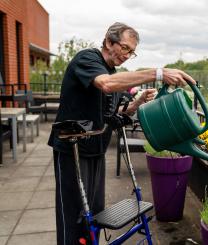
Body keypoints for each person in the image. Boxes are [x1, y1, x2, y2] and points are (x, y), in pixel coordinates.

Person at [48, 22, 196, 244]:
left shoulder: (112, 71)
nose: (127, 55)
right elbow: (106, 85)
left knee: (94, 213)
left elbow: (110, 113)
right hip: (73, 149)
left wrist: (136, 103)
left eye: (131, 52)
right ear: (109, 41)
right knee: (73, 215)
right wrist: (157, 73)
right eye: (125, 48)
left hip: (95, 149)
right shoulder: (87, 59)